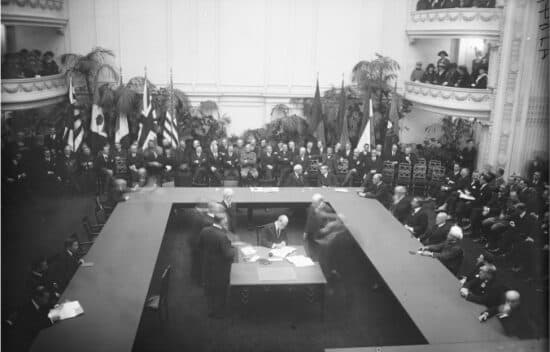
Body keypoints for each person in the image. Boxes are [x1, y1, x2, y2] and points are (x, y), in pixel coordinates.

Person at [198, 214, 235, 318]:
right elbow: (228, 254)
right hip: (220, 270)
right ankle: (220, 312)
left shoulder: (204, 230)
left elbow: (200, 246)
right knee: (221, 291)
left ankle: (211, 310)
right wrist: (233, 248)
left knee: (209, 290)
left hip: (207, 266)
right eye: (226, 221)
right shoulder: (222, 236)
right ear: (222, 222)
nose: (227, 222)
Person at [303, 194, 327, 260]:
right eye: (313, 202)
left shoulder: (325, 208)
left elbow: (325, 221)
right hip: (312, 232)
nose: (312, 204)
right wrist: (306, 232)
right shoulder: (312, 207)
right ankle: (312, 257)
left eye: (314, 203)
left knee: (318, 247)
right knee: (311, 246)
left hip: (319, 232)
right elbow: (309, 220)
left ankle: (317, 259)